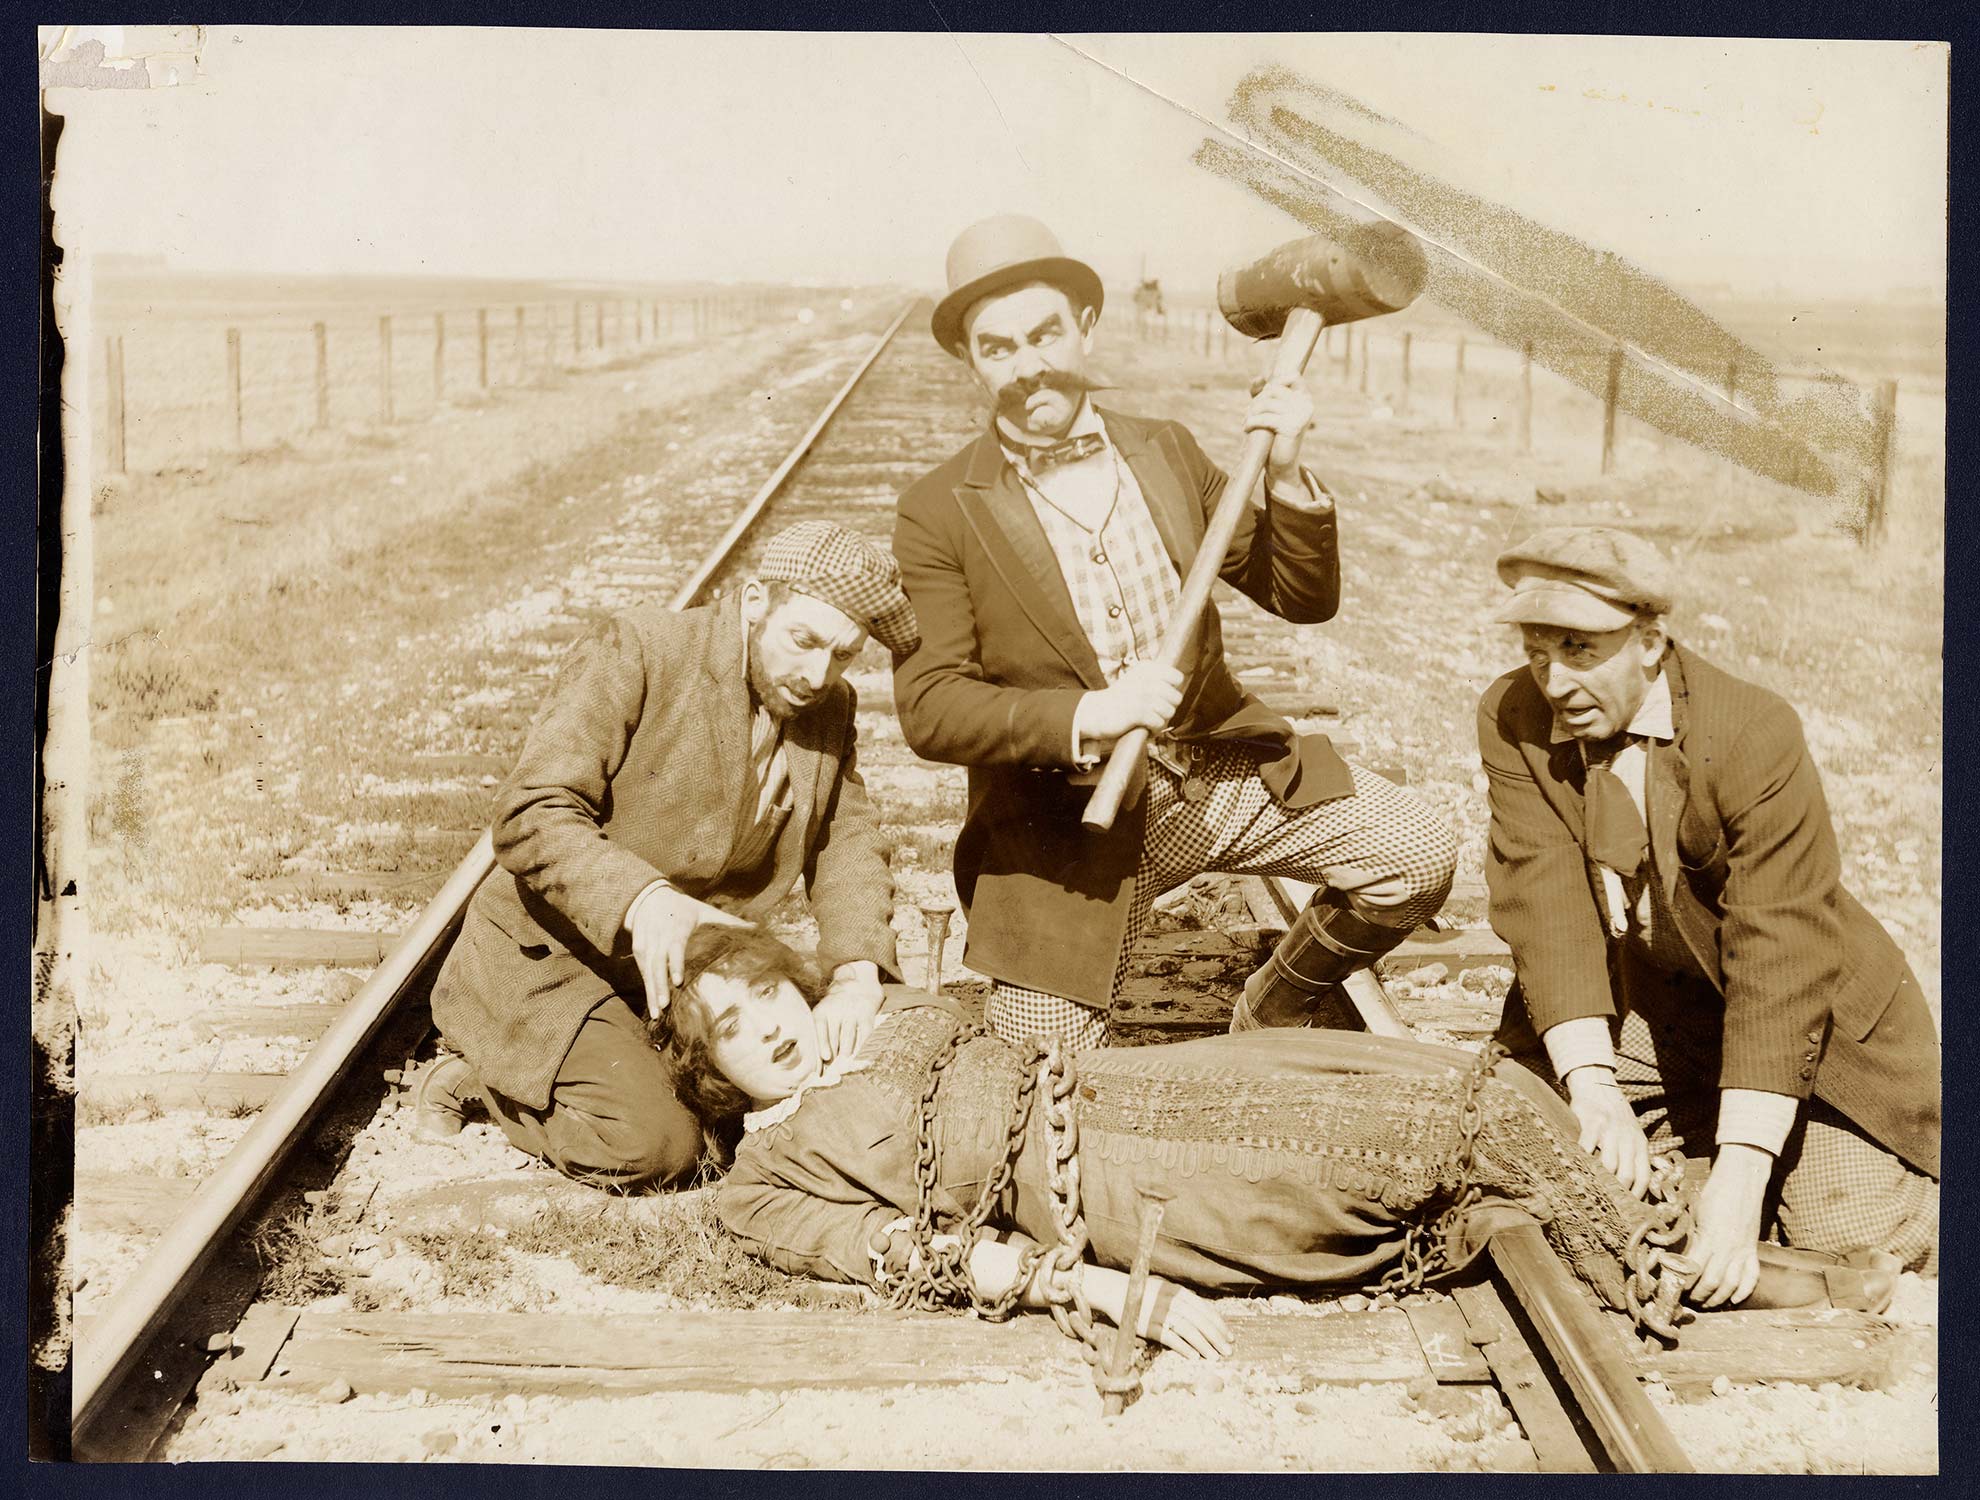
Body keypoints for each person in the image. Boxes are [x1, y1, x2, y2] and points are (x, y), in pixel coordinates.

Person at [891, 214, 1458, 1049]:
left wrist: (1288, 470)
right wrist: (1093, 714)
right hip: (1071, 826)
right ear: (969, 361)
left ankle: (1275, 1003)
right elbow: (931, 707)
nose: (1028, 365)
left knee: (1419, 851)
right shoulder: (938, 509)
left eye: (1045, 335)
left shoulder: (1165, 450)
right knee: (1040, 1073)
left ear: (1085, 327)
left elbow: (1299, 598)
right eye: (998, 348)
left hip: (1221, 779)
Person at [659, 925, 1660, 1356]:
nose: (771, 1029)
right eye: (733, 1029)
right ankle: (1650, 1268)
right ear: (713, 1072)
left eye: (768, 993)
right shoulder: (762, 1181)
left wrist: (859, 990)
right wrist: (1096, 1290)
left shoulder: (872, 1014)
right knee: (1420, 1137)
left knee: (1426, 1083)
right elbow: (909, 1254)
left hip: (1122, 1084)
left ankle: (1630, 1225)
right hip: (1104, 1182)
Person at [1478, 525, 1940, 1308]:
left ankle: (1755, 1159)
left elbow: (1780, 957)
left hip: (1807, 1019)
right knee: (1536, 1136)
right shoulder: (1511, 713)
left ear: (1650, 642)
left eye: (1580, 649)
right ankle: (1701, 1157)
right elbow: (1542, 896)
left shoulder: (1753, 731)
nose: (1554, 680)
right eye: (1537, 651)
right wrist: (1593, 1086)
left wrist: (1743, 1169)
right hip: (1658, 1006)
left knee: (1841, 1229)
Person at [418, 521, 918, 1190]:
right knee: (661, 1149)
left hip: (696, 973)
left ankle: (639, 1066)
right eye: (803, 640)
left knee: (854, 1059)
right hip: (559, 960)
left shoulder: (829, 704)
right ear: (754, 601)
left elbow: (844, 838)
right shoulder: (638, 649)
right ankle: (485, 1077)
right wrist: (643, 899)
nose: (817, 674)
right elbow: (530, 811)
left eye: (843, 655)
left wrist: (857, 971)